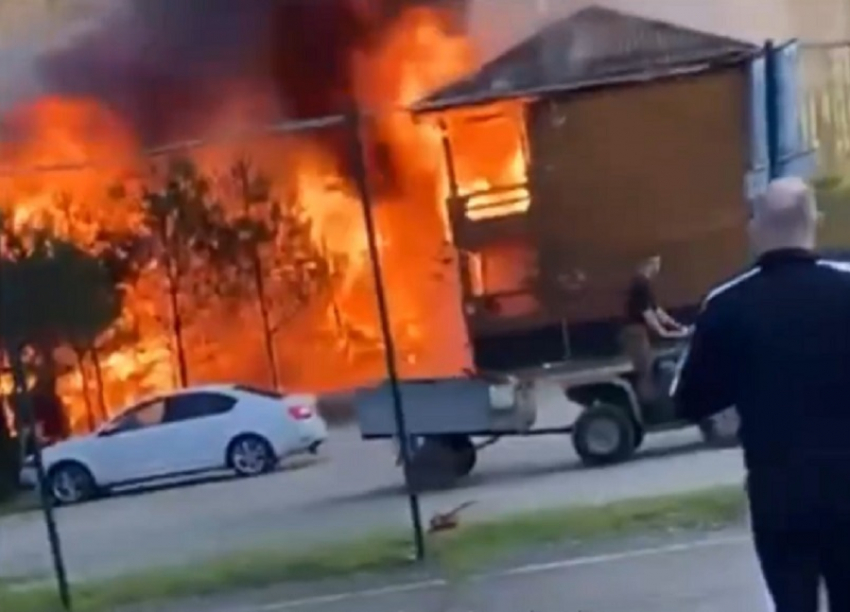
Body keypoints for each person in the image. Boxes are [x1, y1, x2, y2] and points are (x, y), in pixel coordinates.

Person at [673, 176, 850, 612]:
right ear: (816, 222)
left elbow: (689, 399)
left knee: (793, 600)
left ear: (756, 229)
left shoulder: (727, 305)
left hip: (779, 489)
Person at [622, 255, 688, 403]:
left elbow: (657, 310)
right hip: (634, 331)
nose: (658, 268)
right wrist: (662, 331)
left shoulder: (645, 283)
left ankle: (651, 398)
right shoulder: (640, 284)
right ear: (647, 264)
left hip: (639, 331)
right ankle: (648, 403)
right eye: (656, 264)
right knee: (646, 369)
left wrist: (677, 326)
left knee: (649, 365)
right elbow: (647, 312)